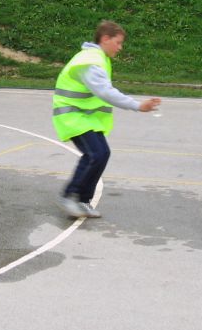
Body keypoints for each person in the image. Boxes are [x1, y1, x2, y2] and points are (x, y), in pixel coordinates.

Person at [53, 20, 161, 218]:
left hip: (86, 117)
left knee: (102, 153)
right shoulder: (90, 61)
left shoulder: (98, 58)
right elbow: (106, 92)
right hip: (72, 116)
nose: (120, 48)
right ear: (105, 39)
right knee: (95, 154)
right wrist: (138, 106)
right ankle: (69, 197)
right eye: (118, 43)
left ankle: (83, 201)